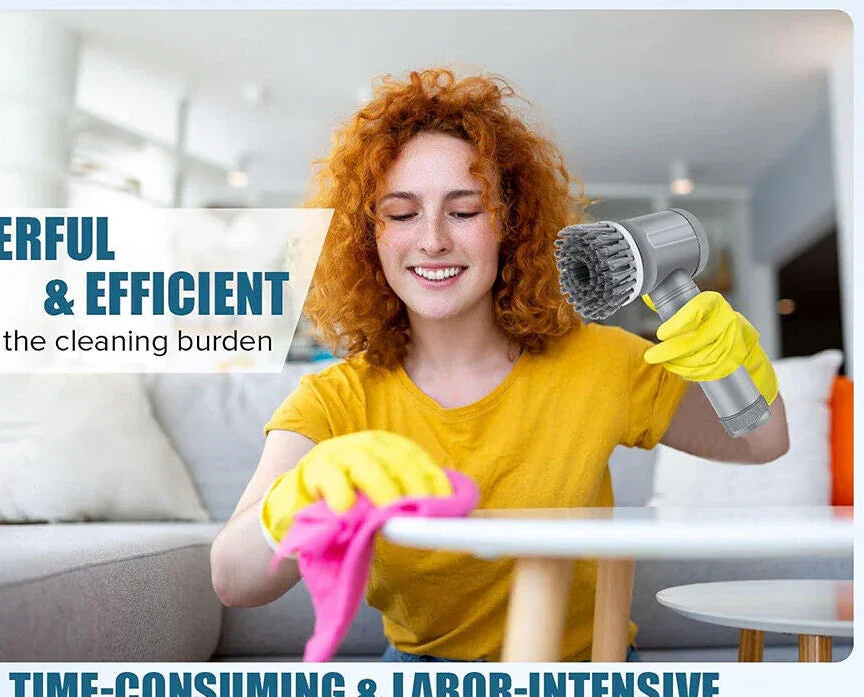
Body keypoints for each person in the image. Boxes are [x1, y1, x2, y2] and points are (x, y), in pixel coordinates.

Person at [210, 68, 788, 663]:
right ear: (367, 236)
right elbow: (233, 580)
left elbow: (762, 443)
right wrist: (298, 497)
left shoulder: (600, 362)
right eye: (402, 214)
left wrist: (735, 367)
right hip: (424, 692)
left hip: (588, 682)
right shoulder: (336, 401)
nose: (432, 239)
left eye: (464, 211)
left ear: (509, 227)